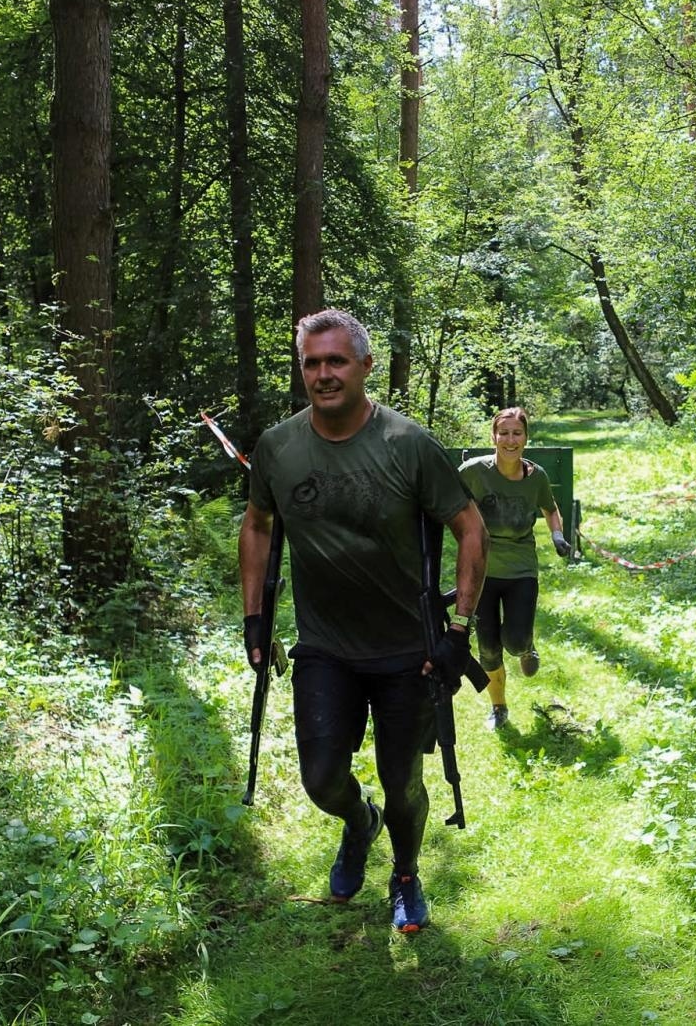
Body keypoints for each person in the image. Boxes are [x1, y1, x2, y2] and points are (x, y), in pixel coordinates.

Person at [239, 309, 487, 933]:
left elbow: (470, 528)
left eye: (336, 361)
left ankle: (405, 874)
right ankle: (359, 821)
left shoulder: (408, 444)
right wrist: (254, 619)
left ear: (365, 366)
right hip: (325, 647)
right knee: (322, 779)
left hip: (409, 650)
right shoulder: (278, 447)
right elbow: (259, 524)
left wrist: (459, 630)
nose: (323, 374)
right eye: (312, 363)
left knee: (403, 783)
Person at [458, 407, 571, 731]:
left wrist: (557, 536)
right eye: (504, 433)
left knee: (515, 640)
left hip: (521, 569)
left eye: (517, 433)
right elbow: (445, 497)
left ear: (526, 437)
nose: (510, 440)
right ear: (493, 436)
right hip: (481, 570)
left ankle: (526, 647)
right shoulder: (473, 471)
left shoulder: (536, 477)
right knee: (488, 648)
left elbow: (550, 508)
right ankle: (499, 707)